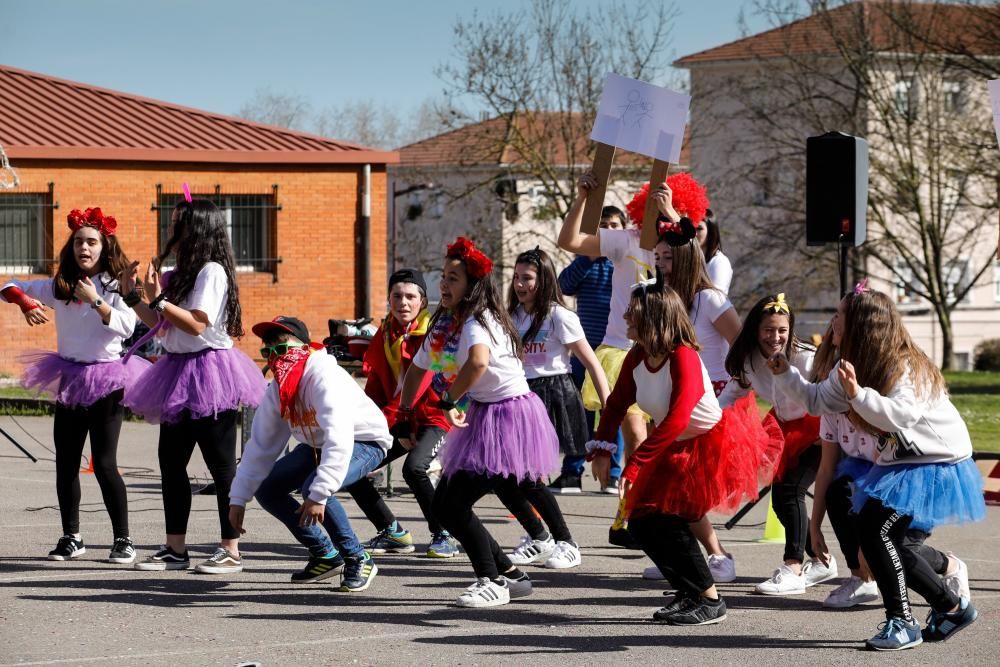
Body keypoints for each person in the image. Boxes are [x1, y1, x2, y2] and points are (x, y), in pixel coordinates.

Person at [768, 286, 984, 651]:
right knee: (886, 538)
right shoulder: (847, 365)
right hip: (904, 460)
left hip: (937, 460)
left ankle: (904, 622)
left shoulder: (904, 364)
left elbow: (901, 416)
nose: (832, 321)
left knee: (874, 530)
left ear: (861, 325)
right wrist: (785, 373)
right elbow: (817, 401)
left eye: (839, 315)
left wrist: (857, 395)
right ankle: (951, 607)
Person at [586, 271, 782, 626]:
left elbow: (679, 418)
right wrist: (601, 447)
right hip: (670, 443)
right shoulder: (638, 355)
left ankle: (709, 600)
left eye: (633, 311)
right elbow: (616, 404)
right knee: (642, 524)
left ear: (653, 317)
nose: (625, 317)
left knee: (671, 520)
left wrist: (634, 465)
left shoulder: (684, 357)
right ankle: (688, 591)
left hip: (704, 444)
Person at [397, 237, 560, 607]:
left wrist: (449, 399)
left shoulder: (477, 320)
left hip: (509, 417)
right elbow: (418, 368)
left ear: (472, 285)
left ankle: (492, 581)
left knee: (451, 505)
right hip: (486, 414)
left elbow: (478, 363)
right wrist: (404, 414)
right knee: (446, 504)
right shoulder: (446, 323)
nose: (444, 285)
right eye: (443, 277)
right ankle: (509, 574)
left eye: (453, 279)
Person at [122, 197, 266, 574]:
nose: (172, 230)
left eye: (179, 222)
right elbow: (159, 321)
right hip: (176, 370)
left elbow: (197, 323)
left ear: (198, 227)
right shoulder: (180, 272)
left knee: (221, 466)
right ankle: (175, 548)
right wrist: (133, 295)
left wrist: (159, 299)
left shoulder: (212, 271)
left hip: (211, 372)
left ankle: (230, 548)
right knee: (171, 462)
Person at [1, 207, 148, 563]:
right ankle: (72, 536)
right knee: (65, 462)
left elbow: (127, 328)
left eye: (92, 242)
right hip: (69, 376)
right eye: (79, 241)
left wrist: (95, 300)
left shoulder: (116, 285)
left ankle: (123, 539)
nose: (85, 247)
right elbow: (6, 285)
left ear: (104, 247)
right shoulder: (60, 284)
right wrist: (22, 301)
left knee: (105, 463)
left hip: (106, 379)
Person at [228, 316, 391, 591]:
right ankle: (325, 555)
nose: (275, 358)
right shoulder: (279, 388)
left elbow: (340, 436)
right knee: (268, 489)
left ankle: (357, 557)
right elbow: (261, 446)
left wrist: (320, 493)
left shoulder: (323, 377)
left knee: (312, 488)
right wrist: (238, 498)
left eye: (282, 349)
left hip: (364, 441)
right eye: (268, 352)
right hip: (316, 445)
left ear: (305, 349)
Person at [643, 178, 741, 583]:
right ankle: (689, 554)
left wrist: (733, 393)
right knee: (672, 486)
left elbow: (742, 346)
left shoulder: (710, 298)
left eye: (666, 258)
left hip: (708, 401)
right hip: (671, 398)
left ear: (682, 260)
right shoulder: (666, 301)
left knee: (687, 487)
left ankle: (718, 556)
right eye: (657, 258)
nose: (659, 265)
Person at [719, 294, 837, 595]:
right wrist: (704, 422)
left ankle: (793, 567)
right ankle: (821, 562)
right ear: (755, 331)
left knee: (790, 491)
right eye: (768, 330)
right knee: (783, 501)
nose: (775, 337)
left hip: (818, 428)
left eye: (782, 330)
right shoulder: (749, 362)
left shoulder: (805, 358)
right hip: (783, 429)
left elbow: (823, 396)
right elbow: (730, 397)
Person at [502, 247, 610, 569]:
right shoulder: (512, 316)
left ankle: (565, 542)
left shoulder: (560, 316)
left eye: (528, 278)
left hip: (552, 394)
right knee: (509, 475)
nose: (521, 284)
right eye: (517, 278)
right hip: (518, 395)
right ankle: (539, 537)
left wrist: (609, 409)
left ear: (544, 279)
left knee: (530, 476)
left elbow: (592, 363)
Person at [347, 268, 459, 558]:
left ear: (423, 301)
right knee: (351, 470)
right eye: (397, 296)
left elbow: (421, 385)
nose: (403, 303)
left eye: (411, 296)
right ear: (388, 299)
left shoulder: (434, 333)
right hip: (397, 419)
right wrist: (362, 426)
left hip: (434, 417)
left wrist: (393, 423)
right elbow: (375, 385)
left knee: (414, 469)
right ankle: (392, 532)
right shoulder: (385, 333)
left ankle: (443, 533)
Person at [553, 205, 625, 494]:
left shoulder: (623, 261)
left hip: (616, 348)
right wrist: (587, 257)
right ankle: (572, 471)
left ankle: (614, 472)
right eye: (602, 225)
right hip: (585, 348)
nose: (607, 230)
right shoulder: (586, 260)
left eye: (613, 225)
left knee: (615, 409)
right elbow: (563, 286)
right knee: (579, 411)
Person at [697, 210, 732, 295]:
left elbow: (714, 298)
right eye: (690, 228)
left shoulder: (720, 262)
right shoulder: (690, 259)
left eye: (699, 229)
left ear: (711, 232)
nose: (693, 233)